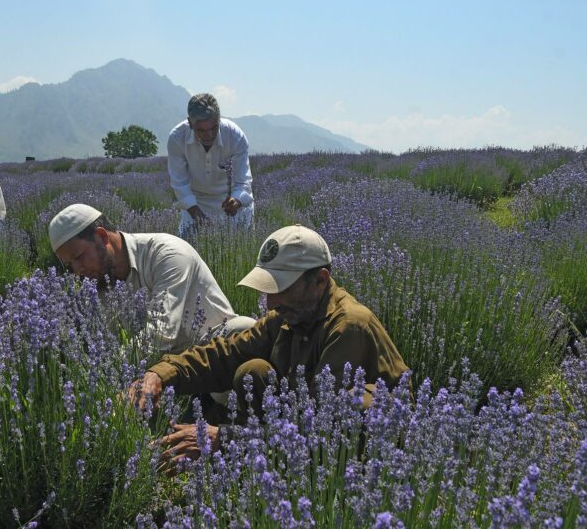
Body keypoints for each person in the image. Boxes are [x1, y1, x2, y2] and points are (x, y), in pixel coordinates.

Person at [132, 224, 410, 466]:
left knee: (354, 407)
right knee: (253, 370)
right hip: (306, 423)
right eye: (268, 290)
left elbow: (323, 429)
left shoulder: (349, 327)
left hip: (357, 449)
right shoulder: (289, 316)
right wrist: (160, 375)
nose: (270, 303)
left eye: (282, 289)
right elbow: (225, 355)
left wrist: (225, 439)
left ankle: (251, 459)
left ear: (320, 280)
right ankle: (251, 457)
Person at [48, 203, 255, 354]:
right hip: (162, 372)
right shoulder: (98, 281)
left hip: (212, 353)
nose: (77, 271)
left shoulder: (166, 253)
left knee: (243, 328)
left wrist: (108, 372)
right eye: (69, 265)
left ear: (102, 237)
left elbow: (161, 333)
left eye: (78, 257)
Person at [167, 93, 254, 235]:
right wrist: (195, 213)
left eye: (214, 128)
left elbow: (243, 180)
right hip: (195, 202)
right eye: (201, 130)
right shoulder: (177, 138)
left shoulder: (235, 135)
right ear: (190, 123)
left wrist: (237, 199)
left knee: (236, 251)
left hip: (231, 202)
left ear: (219, 120)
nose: (209, 135)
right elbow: (179, 183)